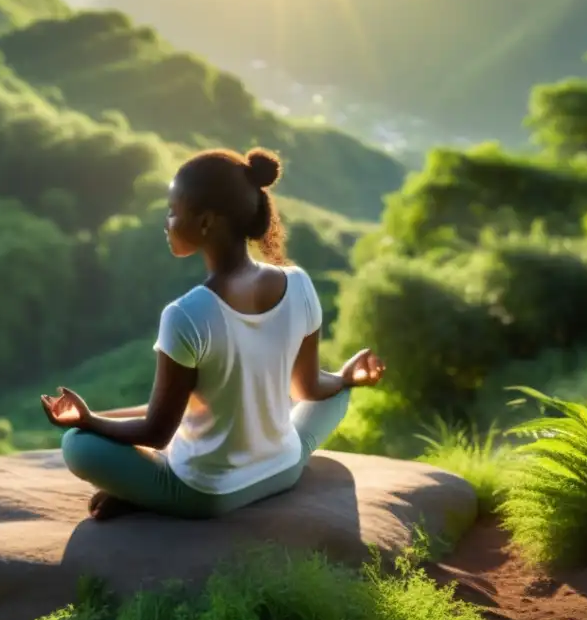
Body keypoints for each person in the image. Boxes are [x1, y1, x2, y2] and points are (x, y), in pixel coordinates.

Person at [41, 146, 384, 521]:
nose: (167, 222)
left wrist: (88, 422)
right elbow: (308, 390)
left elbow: (157, 432)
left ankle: (150, 493)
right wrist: (345, 377)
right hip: (283, 469)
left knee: (77, 445)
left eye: (173, 212)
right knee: (337, 395)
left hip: (207, 495)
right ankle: (147, 488)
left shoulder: (186, 315)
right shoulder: (299, 284)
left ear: (205, 223)